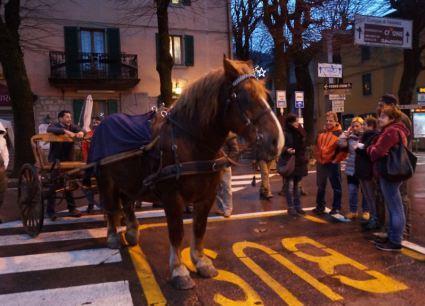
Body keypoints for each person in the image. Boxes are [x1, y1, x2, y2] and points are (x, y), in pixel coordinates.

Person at [367, 105, 409, 251]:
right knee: (393, 207)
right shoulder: (396, 130)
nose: (379, 119)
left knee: (395, 208)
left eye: (383, 116)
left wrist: (369, 148)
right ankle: (392, 237)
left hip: (389, 173)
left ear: (392, 118)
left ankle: (395, 241)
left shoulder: (391, 131)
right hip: (394, 172)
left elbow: (376, 152)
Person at [376, 94, 412, 239]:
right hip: (391, 163)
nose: (379, 106)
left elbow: (402, 142)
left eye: (381, 103)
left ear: (390, 105)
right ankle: (391, 229)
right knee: (392, 199)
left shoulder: (400, 119)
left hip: (397, 164)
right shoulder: (387, 117)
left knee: (400, 198)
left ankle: (401, 231)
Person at [46, 110, 84, 220]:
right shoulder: (55, 125)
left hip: (68, 160)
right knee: (53, 186)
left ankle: (72, 209)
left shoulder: (72, 126)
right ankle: (50, 211)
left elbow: (81, 130)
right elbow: (50, 129)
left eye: (70, 117)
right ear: (60, 118)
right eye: (67, 117)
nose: (69, 119)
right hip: (56, 160)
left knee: (69, 185)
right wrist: (65, 131)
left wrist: (81, 132)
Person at [313, 111, 347, 216]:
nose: (328, 123)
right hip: (321, 163)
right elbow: (316, 147)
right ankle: (320, 206)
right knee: (321, 186)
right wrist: (317, 158)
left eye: (331, 121)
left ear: (336, 121)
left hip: (333, 164)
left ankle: (336, 208)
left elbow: (344, 151)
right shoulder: (321, 132)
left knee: (336, 186)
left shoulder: (340, 134)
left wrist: (336, 160)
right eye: (327, 120)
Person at [338, 116, 369, 220]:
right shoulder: (349, 137)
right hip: (351, 168)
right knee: (352, 191)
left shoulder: (366, 136)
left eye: (357, 126)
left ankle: (366, 211)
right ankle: (353, 211)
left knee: (365, 192)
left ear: (362, 126)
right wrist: (345, 134)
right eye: (353, 126)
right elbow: (340, 144)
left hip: (364, 168)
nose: (355, 128)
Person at [355, 116, 380, 230]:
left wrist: (360, 148)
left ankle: (374, 218)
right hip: (362, 170)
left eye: (365, 124)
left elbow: (367, 151)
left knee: (371, 196)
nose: (363, 126)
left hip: (368, 170)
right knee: (367, 195)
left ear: (371, 126)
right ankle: (371, 217)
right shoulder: (364, 136)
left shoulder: (374, 136)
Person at [280, 113, 308, 216]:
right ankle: (291, 208)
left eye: (298, 121)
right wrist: (287, 150)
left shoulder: (300, 131)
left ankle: (298, 206)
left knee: (297, 187)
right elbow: (280, 146)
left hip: (299, 161)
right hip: (290, 162)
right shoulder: (285, 133)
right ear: (290, 122)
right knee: (290, 186)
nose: (298, 123)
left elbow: (304, 145)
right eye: (296, 121)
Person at [216, 133, 239, 217]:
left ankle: (228, 208)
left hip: (225, 164)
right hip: (214, 165)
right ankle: (221, 208)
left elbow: (235, 150)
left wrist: (228, 161)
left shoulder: (229, 135)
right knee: (216, 188)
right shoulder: (213, 132)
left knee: (226, 187)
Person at [0, 122, 9, 223]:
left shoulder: (2, 140)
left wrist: (5, 166)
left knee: (1, 190)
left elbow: (5, 154)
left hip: (0, 167)